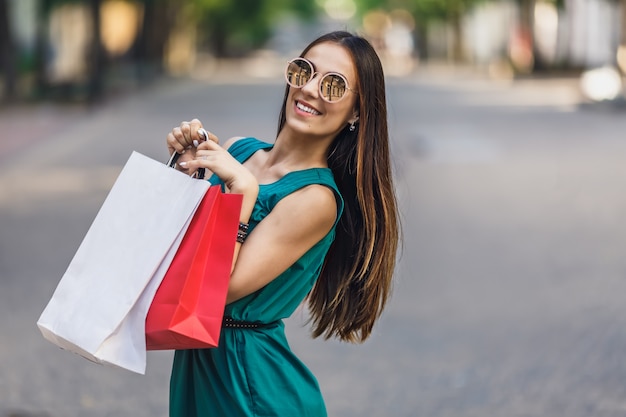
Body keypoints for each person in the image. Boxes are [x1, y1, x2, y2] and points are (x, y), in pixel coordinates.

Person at [165, 30, 400, 417]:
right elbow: (178, 253)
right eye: (304, 71)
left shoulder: (315, 200)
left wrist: (240, 188)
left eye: (334, 85)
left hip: (248, 383)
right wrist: (187, 172)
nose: (310, 90)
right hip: (198, 363)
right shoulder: (239, 150)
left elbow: (217, 291)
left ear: (357, 112)